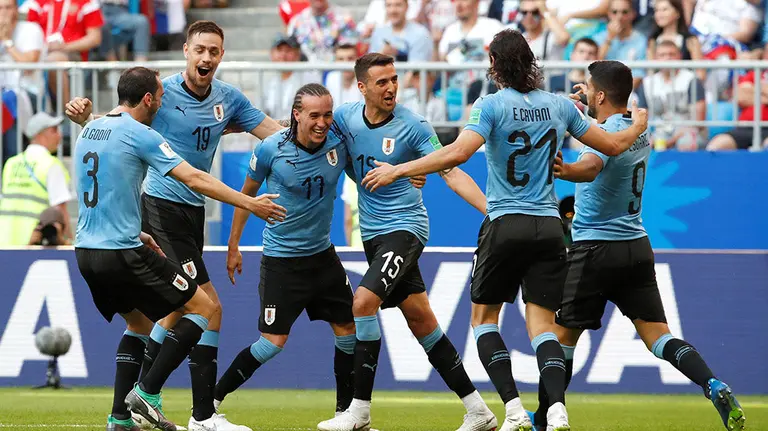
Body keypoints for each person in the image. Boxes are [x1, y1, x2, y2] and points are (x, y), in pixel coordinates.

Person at [361, 31, 648, 431]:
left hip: (505, 223)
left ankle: (513, 410)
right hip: (549, 226)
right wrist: (637, 126)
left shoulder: (490, 105)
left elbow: (459, 152)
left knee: (483, 320)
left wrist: (399, 169)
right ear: (531, 62)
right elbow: (614, 146)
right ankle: (557, 411)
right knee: (543, 328)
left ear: (494, 64)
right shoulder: (558, 106)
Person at [65, 20, 285, 431]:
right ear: (186, 51)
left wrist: (315, 138)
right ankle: (172, 404)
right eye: (199, 49)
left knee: (151, 320)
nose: (206, 57)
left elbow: (274, 134)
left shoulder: (228, 99)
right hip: (160, 210)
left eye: (214, 51)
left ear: (221, 55)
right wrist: (250, 203)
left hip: (164, 223)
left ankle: (123, 417)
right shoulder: (156, 103)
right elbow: (185, 171)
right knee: (205, 308)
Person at [531, 60, 746, 431]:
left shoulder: (608, 134)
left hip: (594, 249)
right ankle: (712, 383)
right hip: (635, 246)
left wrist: (565, 170)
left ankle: (544, 416)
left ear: (601, 95)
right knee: (659, 336)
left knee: (562, 339)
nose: (585, 92)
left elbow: (592, 165)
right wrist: (584, 107)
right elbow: (608, 132)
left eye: (589, 88)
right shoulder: (636, 129)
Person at [317, 52, 496, 431]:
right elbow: (308, 134)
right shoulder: (345, 118)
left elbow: (450, 171)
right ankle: (479, 411)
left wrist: (491, 211)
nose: (391, 88)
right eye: (382, 82)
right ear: (362, 87)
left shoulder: (413, 125)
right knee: (422, 322)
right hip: (372, 235)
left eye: (394, 79)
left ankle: (359, 413)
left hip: (406, 229)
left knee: (362, 304)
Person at [213, 83, 359, 417]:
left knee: (348, 332)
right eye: (314, 115)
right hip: (282, 262)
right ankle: (212, 402)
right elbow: (246, 196)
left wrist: (410, 176)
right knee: (271, 343)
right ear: (297, 115)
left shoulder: (338, 143)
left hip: (323, 257)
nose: (322, 123)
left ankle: (345, 416)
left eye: (327, 115)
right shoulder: (270, 149)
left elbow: (370, 162)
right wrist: (233, 246)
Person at [0, 112, 72, 246]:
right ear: (40, 135)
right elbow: (60, 210)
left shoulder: (11, 163)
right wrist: (70, 243)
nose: (59, 135)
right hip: (33, 242)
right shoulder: (51, 164)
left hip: (4, 241)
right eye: (54, 130)